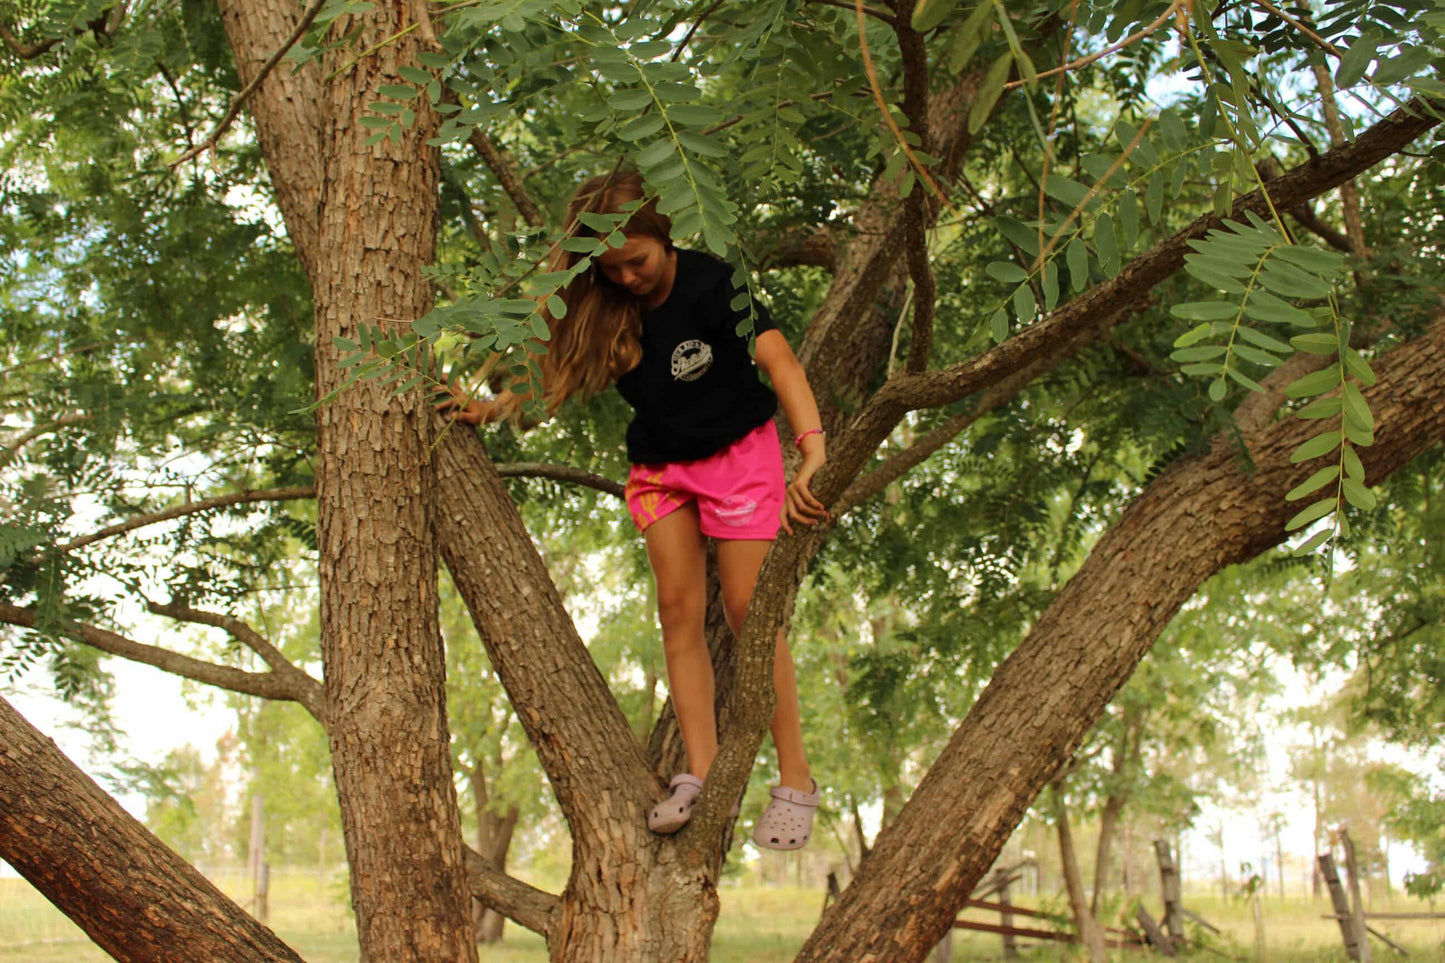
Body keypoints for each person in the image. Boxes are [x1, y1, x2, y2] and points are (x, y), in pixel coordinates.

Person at [439, 170, 826, 851]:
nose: (625, 278)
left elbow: (782, 362)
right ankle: (699, 773)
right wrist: (494, 408)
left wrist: (812, 449)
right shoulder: (603, 301)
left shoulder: (712, 284)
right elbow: (553, 373)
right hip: (663, 468)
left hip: (739, 454)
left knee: (745, 608)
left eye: (635, 262)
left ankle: (795, 778)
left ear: (663, 236)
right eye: (609, 268)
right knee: (677, 609)